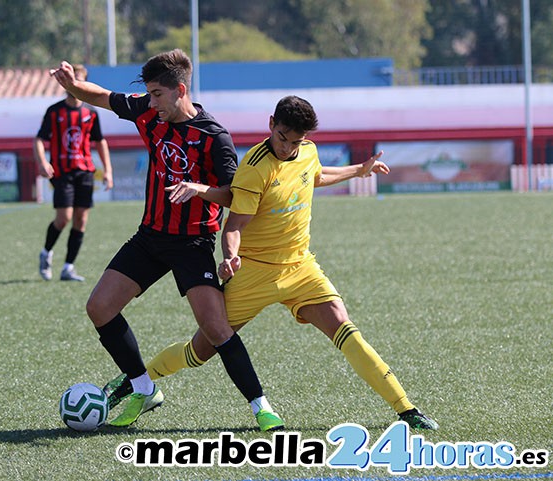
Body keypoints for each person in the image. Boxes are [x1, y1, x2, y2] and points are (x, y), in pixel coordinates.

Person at [105, 95, 439, 430]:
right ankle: (137, 380)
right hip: (254, 273)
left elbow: (316, 175)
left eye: (295, 141)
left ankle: (405, 408)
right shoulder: (253, 168)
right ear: (270, 125)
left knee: (344, 327)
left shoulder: (306, 151)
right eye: (282, 137)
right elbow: (233, 225)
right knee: (201, 350)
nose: (287, 146)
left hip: (300, 267)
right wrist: (230, 257)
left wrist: (359, 170)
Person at [50, 49, 284, 431]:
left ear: (180, 90)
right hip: (150, 237)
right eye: (148, 94)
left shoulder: (214, 137)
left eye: (157, 94)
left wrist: (199, 189)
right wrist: (74, 85)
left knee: (216, 328)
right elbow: (104, 98)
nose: (151, 101)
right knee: (99, 307)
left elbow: (233, 196)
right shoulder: (147, 112)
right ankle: (144, 389)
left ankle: (262, 407)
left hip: (192, 243)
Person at [34, 64, 113, 282]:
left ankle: (68, 267)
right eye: (70, 77)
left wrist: (108, 170)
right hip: (62, 171)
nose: (72, 82)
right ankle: (46, 252)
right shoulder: (54, 111)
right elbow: (40, 139)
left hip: (85, 172)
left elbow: (100, 142)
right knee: (64, 217)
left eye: (77, 78)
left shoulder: (91, 113)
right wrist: (42, 162)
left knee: (81, 219)